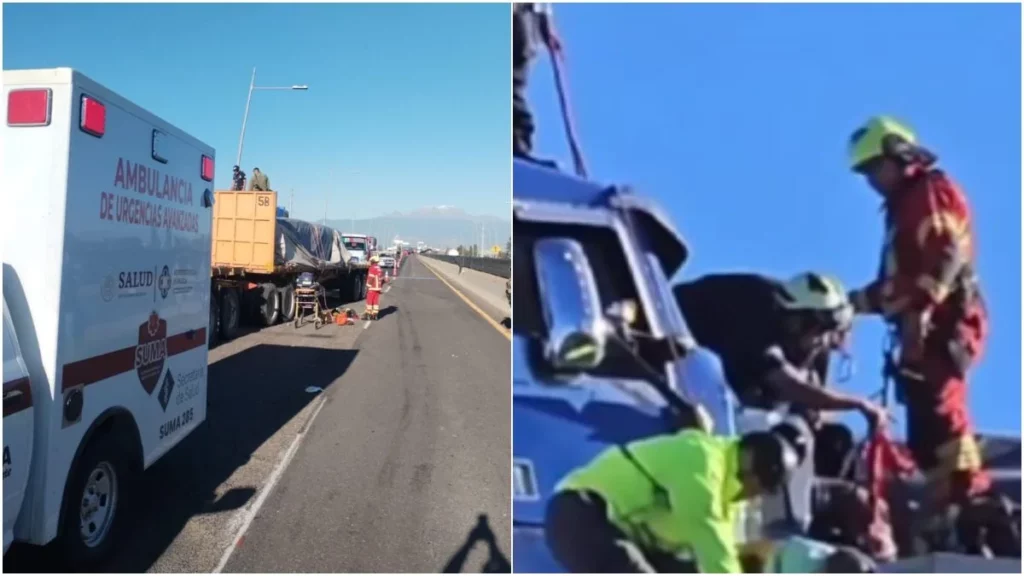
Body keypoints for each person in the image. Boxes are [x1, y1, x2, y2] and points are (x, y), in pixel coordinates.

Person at [845, 117, 991, 519]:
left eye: (877, 167)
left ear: (901, 154)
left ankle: (972, 508)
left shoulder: (930, 193)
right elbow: (894, 286)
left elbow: (946, 255)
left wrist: (921, 315)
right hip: (922, 334)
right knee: (926, 425)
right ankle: (944, 507)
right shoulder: (903, 207)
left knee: (944, 416)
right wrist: (846, 307)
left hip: (945, 327)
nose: (872, 180)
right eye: (867, 172)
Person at [672, 272, 888, 533]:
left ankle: (819, 518)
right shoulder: (754, 316)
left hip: (737, 384)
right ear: (796, 318)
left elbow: (812, 406)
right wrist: (858, 404)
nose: (819, 340)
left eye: (828, 333)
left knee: (831, 440)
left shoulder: (817, 346)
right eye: (814, 329)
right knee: (779, 435)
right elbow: (788, 384)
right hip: (677, 353)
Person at [545, 427, 803, 573]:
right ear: (752, 467)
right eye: (763, 488)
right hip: (581, 515)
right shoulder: (702, 459)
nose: (756, 497)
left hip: (621, 534)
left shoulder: (728, 504)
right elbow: (710, 537)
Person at [364, 255, 383, 320]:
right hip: (378, 288)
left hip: (372, 287)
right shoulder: (379, 268)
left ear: (373, 261)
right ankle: (375, 314)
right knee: (375, 302)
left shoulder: (372, 268)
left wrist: (367, 286)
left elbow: (370, 278)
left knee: (369, 301)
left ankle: (368, 314)